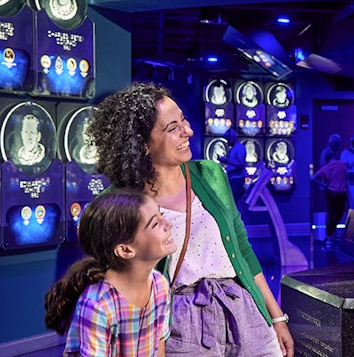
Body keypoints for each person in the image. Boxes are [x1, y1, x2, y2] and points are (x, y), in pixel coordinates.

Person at [89, 82, 294, 356]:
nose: (188, 131)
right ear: (143, 145)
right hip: (179, 326)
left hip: (242, 310)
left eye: (183, 119)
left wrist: (276, 317)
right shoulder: (117, 203)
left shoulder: (211, 175)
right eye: (172, 128)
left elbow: (243, 249)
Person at [44, 189, 175, 356]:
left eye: (161, 214)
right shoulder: (98, 305)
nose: (169, 223)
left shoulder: (160, 285)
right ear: (125, 250)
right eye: (155, 224)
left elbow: (159, 348)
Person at [311, 153, 348, 251]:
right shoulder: (342, 164)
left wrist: (324, 185)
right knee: (339, 214)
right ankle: (332, 233)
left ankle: (329, 236)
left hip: (331, 192)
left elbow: (313, 178)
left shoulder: (326, 167)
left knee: (330, 214)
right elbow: (347, 176)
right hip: (341, 192)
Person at [220, 129, 249, 203]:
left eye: (228, 139)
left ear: (233, 137)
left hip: (237, 179)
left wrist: (227, 160)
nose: (227, 142)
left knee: (232, 201)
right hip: (233, 178)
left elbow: (240, 163)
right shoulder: (234, 148)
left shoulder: (239, 148)